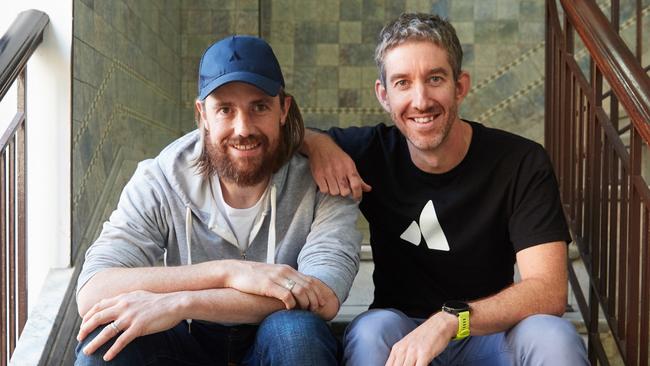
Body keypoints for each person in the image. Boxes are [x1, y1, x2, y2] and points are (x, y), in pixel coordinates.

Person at [301, 13, 589, 366]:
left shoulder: (519, 162)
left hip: (487, 334)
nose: (420, 100)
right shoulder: (370, 152)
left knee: (553, 336)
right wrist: (316, 144)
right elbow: (281, 133)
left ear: (460, 85)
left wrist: (452, 320)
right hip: (402, 336)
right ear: (384, 95)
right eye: (403, 83)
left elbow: (547, 291)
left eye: (434, 78)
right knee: (370, 329)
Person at [75, 35, 361, 365]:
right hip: (187, 342)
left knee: (297, 334)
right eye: (225, 109)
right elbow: (93, 289)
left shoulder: (323, 180)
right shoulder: (162, 177)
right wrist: (228, 272)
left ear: (283, 109)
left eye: (259, 107)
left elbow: (323, 296)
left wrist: (182, 302)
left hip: (272, 340)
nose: (243, 128)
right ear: (203, 114)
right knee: (106, 335)